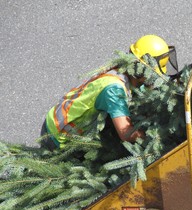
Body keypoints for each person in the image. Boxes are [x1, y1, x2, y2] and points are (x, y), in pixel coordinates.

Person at [41, 35, 178, 150]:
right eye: (153, 73)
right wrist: (155, 137)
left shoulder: (124, 70)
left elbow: (144, 90)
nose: (154, 78)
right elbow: (127, 133)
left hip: (60, 117)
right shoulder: (114, 90)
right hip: (58, 135)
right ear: (141, 68)